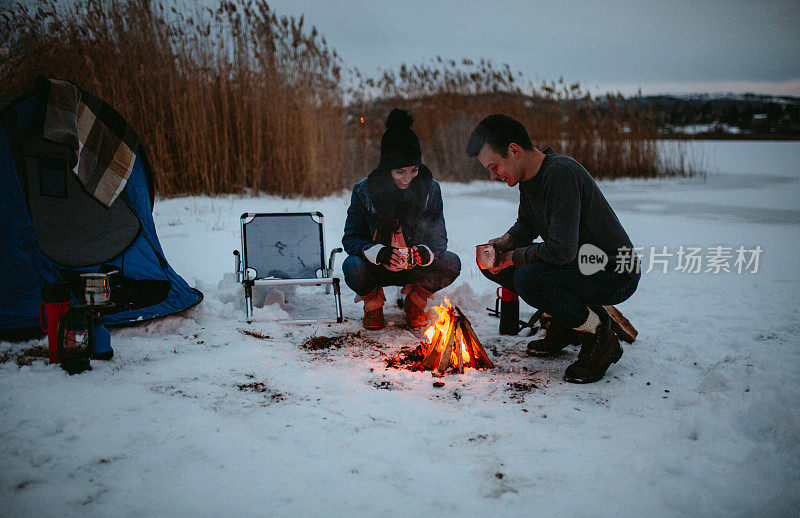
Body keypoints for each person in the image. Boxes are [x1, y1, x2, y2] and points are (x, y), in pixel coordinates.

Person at [465, 114, 640, 383]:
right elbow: (526, 224)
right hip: (577, 262)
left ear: (514, 150)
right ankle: (567, 324)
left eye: (493, 166)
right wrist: (505, 244)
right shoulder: (529, 177)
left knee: (527, 276)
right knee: (493, 265)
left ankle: (599, 336)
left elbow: (560, 251)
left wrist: (514, 257)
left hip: (615, 272)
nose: (492, 175)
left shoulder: (561, 175)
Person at [342, 109, 461, 330]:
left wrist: (426, 253)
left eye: (414, 170)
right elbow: (351, 238)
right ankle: (373, 304)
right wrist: (378, 252)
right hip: (378, 267)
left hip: (414, 267)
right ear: (387, 169)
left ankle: (415, 302)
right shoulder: (364, 190)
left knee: (451, 262)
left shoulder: (430, 189)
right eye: (400, 172)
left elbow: (439, 237)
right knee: (352, 266)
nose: (408, 179)